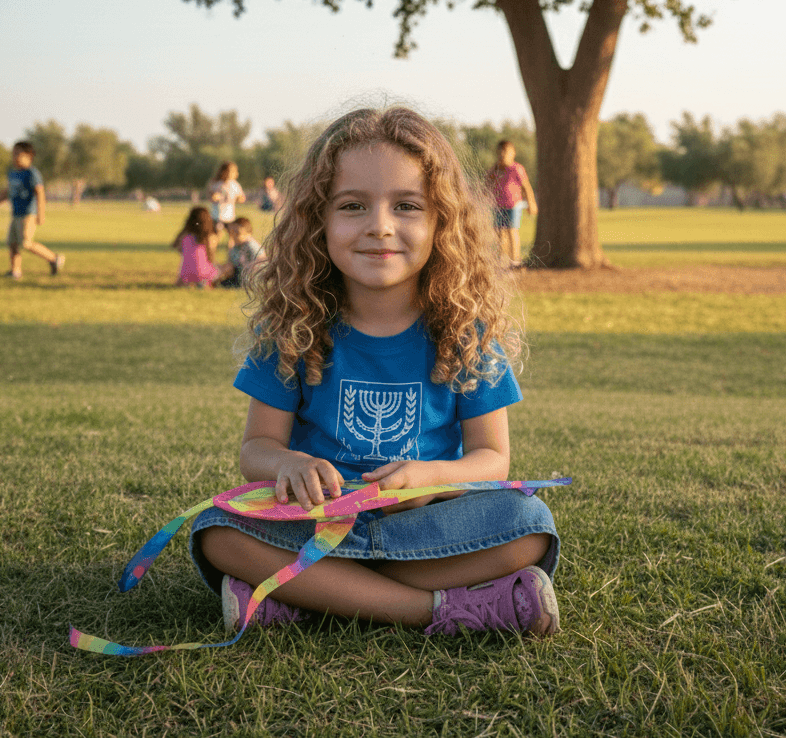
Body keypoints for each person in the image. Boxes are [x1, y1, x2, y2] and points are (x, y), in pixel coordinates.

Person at [191, 106, 559, 638]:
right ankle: (441, 611)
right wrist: (290, 463)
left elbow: (492, 459)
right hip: (318, 523)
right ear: (318, 219)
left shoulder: (465, 332)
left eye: (407, 206)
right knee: (217, 532)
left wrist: (435, 477)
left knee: (530, 529)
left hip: (428, 528)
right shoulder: (294, 328)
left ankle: (311, 598)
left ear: (442, 222)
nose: (380, 227)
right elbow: (256, 450)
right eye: (353, 206)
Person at [0, 141, 64, 279]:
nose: (15, 156)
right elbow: (7, 193)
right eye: (13, 153)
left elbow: (40, 193)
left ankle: (53, 258)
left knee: (26, 243)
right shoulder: (13, 173)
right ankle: (15, 271)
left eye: (18, 153)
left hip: (28, 214)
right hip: (16, 214)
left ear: (29, 156)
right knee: (12, 244)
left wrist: (41, 214)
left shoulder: (32, 173)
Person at [486, 140, 538, 270]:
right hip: (497, 206)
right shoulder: (495, 169)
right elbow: (487, 183)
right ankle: (501, 259)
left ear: (513, 153)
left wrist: (531, 202)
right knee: (499, 233)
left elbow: (526, 187)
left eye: (506, 152)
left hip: (513, 205)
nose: (502, 154)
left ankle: (515, 261)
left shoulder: (517, 169)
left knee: (512, 231)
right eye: (500, 152)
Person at [173, 206, 220, 288]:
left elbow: (181, 252)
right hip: (204, 272)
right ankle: (204, 282)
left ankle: (188, 282)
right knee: (224, 267)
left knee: (185, 264)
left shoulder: (184, 235)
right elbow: (211, 256)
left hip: (186, 272)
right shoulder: (211, 236)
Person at [217, 216, 265, 288]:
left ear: (248, 234)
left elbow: (262, 259)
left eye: (238, 233)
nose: (234, 236)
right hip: (239, 274)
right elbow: (230, 263)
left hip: (251, 277)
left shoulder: (251, 244)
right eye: (232, 233)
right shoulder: (235, 247)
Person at [208, 162, 245, 235]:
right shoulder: (217, 183)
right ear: (223, 172)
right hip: (217, 215)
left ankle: (231, 246)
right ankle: (215, 245)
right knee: (217, 233)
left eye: (234, 171)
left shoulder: (234, 184)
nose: (233, 173)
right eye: (231, 171)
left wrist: (238, 199)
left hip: (230, 216)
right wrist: (214, 197)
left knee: (231, 234)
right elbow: (210, 195)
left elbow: (242, 197)